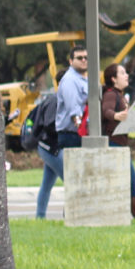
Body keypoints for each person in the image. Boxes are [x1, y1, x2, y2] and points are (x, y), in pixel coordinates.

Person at [36, 47, 90, 220]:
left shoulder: (80, 80)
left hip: (53, 143)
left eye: (85, 57)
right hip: (56, 143)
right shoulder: (69, 82)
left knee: (47, 183)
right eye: (79, 58)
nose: (83, 60)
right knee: (73, 180)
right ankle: (71, 217)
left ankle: (40, 218)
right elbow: (73, 108)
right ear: (70, 62)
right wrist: (77, 119)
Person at [97, 61, 135, 219]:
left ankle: (131, 214)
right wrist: (116, 115)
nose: (127, 76)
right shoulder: (111, 94)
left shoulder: (121, 96)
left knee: (126, 180)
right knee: (130, 179)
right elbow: (106, 110)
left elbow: (130, 118)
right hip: (113, 145)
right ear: (113, 79)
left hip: (120, 145)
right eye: (122, 73)